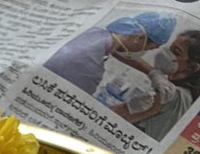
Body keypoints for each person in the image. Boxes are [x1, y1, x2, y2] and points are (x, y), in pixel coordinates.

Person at [110, 30, 200, 140]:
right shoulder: (188, 97)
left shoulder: (168, 95)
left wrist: (130, 108)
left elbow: (109, 117)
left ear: (192, 67)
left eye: (176, 52)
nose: (165, 54)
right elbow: (118, 49)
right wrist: (154, 73)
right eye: (170, 49)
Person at [44, 12, 177, 96]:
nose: (142, 53)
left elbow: (118, 50)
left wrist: (152, 72)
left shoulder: (96, 34)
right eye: (148, 49)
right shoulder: (91, 70)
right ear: (140, 38)